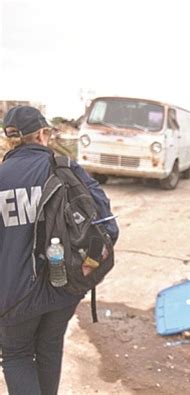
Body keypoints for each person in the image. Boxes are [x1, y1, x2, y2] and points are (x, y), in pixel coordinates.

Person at [0, 106, 119, 395]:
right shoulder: (66, 168)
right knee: (50, 348)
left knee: (16, 355)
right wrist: (87, 268)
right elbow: (108, 228)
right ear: (41, 134)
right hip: (65, 288)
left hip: (13, 297)